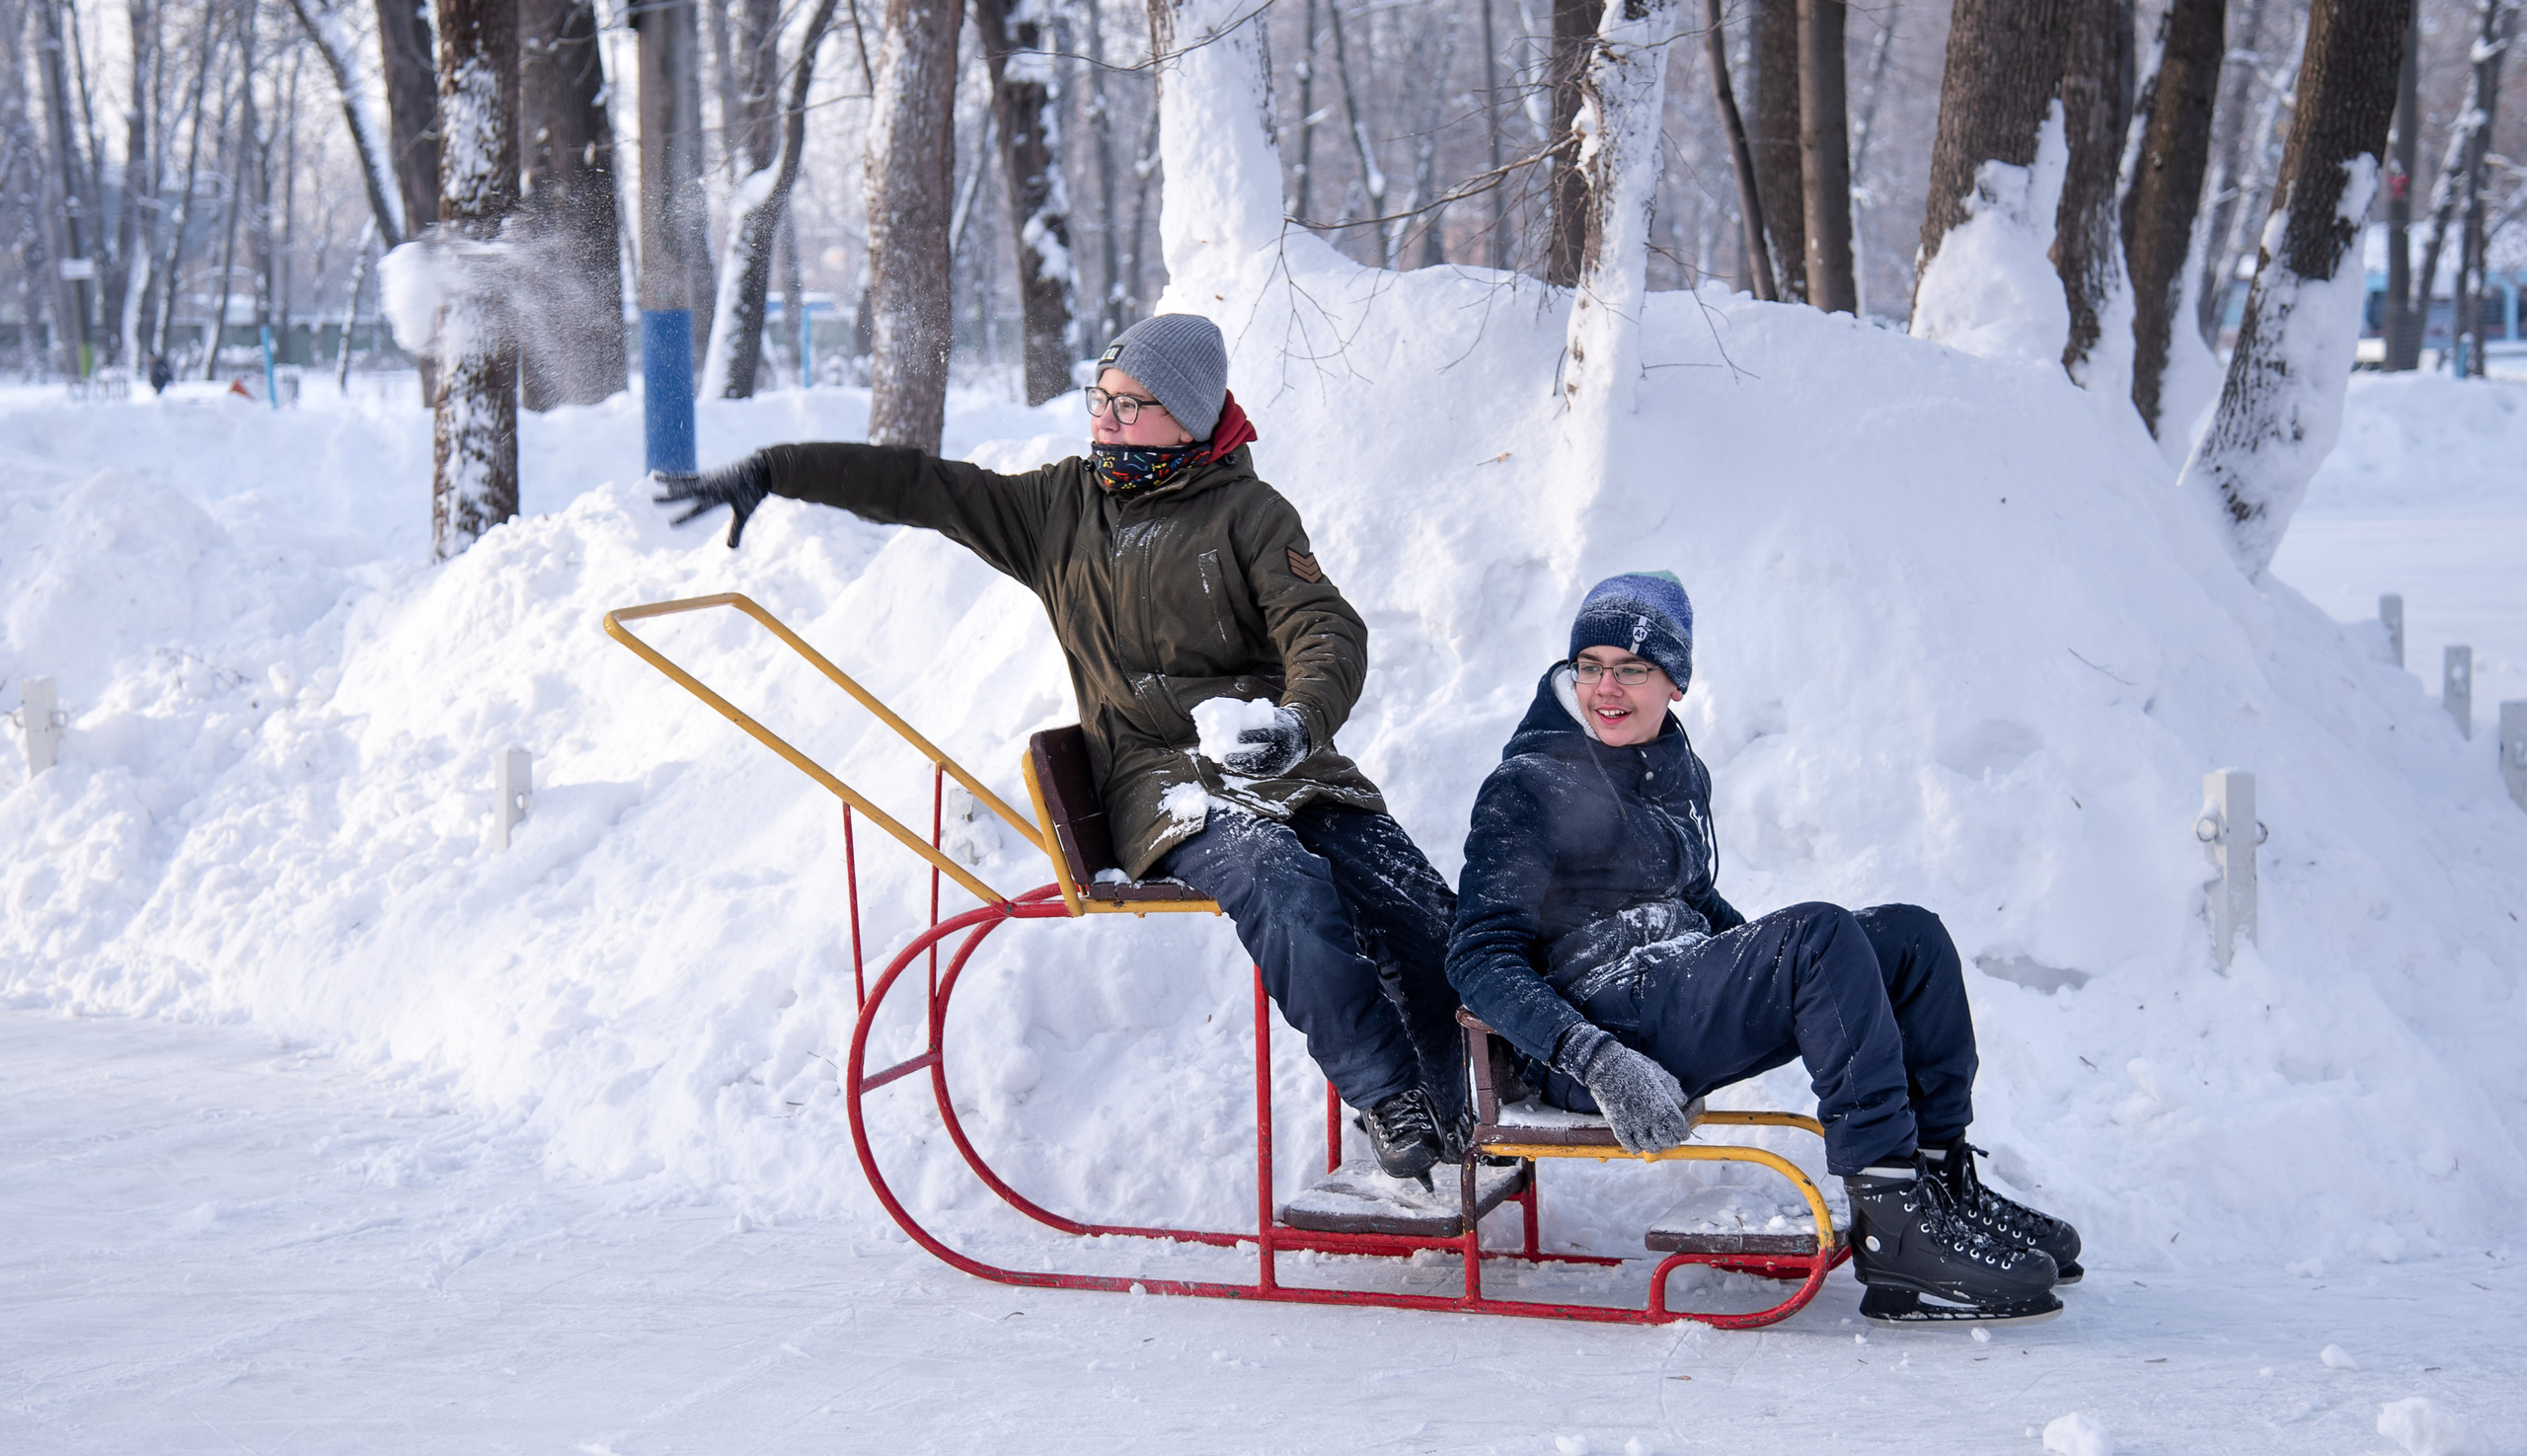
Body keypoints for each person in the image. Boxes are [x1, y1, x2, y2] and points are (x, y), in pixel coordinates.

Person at [652, 314, 1468, 1182]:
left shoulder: (1251, 515)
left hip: (1279, 763)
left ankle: (1474, 1100)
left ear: (1190, 417)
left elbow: (1324, 628)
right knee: (1278, 877)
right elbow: (923, 485)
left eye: (1131, 405)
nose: (1106, 421)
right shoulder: (1058, 510)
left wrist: (1299, 720)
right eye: (1100, 400)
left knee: (1415, 901)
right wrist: (778, 470)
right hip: (1158, 786)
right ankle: (1390, 1097)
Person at [1444, 572, 2083, 1325]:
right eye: (1591, 665)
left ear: (1674, 682)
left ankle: (1936, 1180)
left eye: (1633, 668)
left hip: (1667, 988)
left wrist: (1776, 964)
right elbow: (1478, 954)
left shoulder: (1669, 764)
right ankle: (1894, 1227)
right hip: (1604, 1035)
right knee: (1816, 935)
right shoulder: (1529, 783)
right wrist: (1596, 1058)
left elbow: (1692, 893)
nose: (1606, 688)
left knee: (1910, 935)